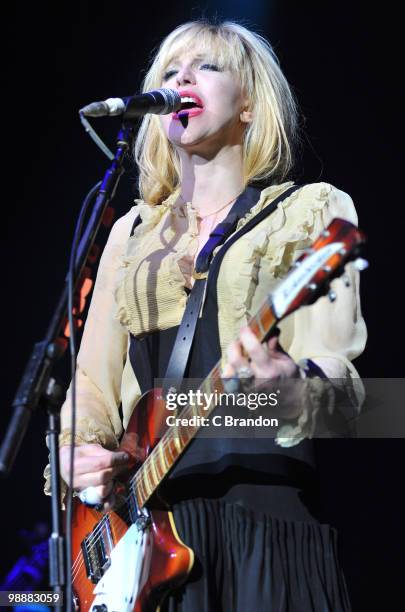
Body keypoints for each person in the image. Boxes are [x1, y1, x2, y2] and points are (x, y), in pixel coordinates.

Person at [45, 19, 367, 611]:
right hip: (142, 547)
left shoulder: (308, 212)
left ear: (249, 104)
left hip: (260, 528)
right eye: (169, 71)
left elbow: (351, 396)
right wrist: (77, 454)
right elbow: (90, 382)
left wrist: (289, 389)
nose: (181, 78)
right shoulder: (131, 233)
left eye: (207, 66)